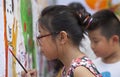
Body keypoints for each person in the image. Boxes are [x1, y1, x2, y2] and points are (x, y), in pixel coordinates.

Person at [22, 5, 102, 77]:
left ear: (62, 37)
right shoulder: (66, 69)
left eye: (41, 35)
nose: (38, 43)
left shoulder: (80, 70)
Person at [85, 9, 120, 77]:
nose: (92, 46)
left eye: (96, 41)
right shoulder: (90, 67)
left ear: (114, 40)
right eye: (90, 40)